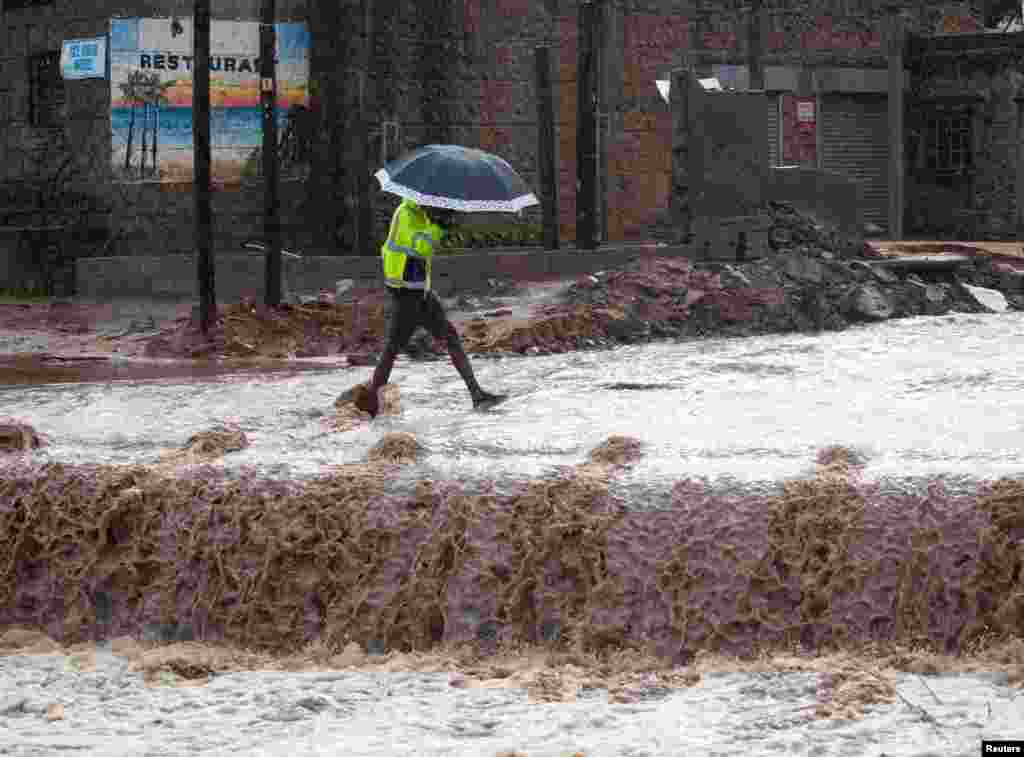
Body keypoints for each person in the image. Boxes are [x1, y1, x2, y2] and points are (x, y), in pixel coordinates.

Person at [360, 197, 507, 417]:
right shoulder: (407, 214)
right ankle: (371, 407)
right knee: (392, 348)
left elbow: (425, 246)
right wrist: (439, 226)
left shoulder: (420, 213)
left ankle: (477, 394)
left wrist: (441, 223)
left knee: (450, 337)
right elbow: (420, 248)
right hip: (406, 292)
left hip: (419, 290)